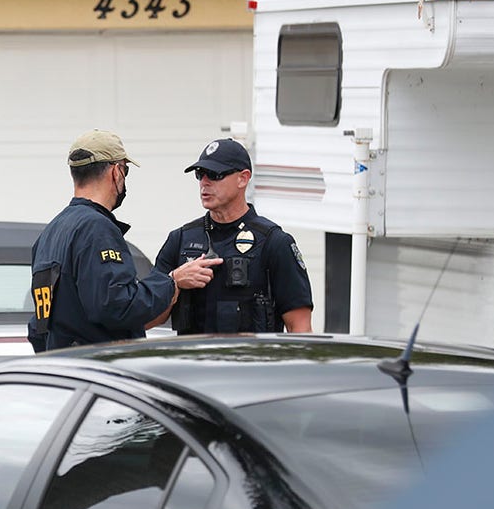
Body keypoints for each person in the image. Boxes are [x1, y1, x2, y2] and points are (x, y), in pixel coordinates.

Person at [28, 129, 221, 352]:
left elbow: (38, 326)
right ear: (116, 172)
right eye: (125, 171)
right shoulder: (96, 228)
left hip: (63, 372)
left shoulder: (50, 233)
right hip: (99, 371)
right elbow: (117, 306)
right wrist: (172, 281)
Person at [155, 138, 313, 334]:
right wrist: (175, 281)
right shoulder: (180, 239)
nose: (205, 182)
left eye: (214, 174)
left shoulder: (274, 242)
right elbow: (148, 318)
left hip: (249, 362)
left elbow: (300, 327)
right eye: (200, 174)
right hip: (192, 363)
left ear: (243, 178)